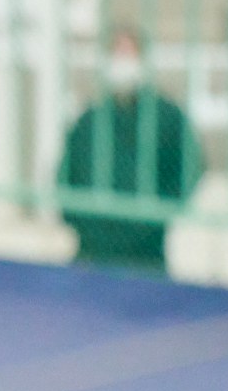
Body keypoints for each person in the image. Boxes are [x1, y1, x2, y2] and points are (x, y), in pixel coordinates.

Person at [56, 28, 202, 275]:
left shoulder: (165, 118)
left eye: (128, 53)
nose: (122, 62)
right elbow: (65, 178)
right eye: (116, 53)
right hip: (93, 255)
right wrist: (85, 226)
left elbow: (189, 168)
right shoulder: (89, 121)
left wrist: (156, 218)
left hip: (146, 256)